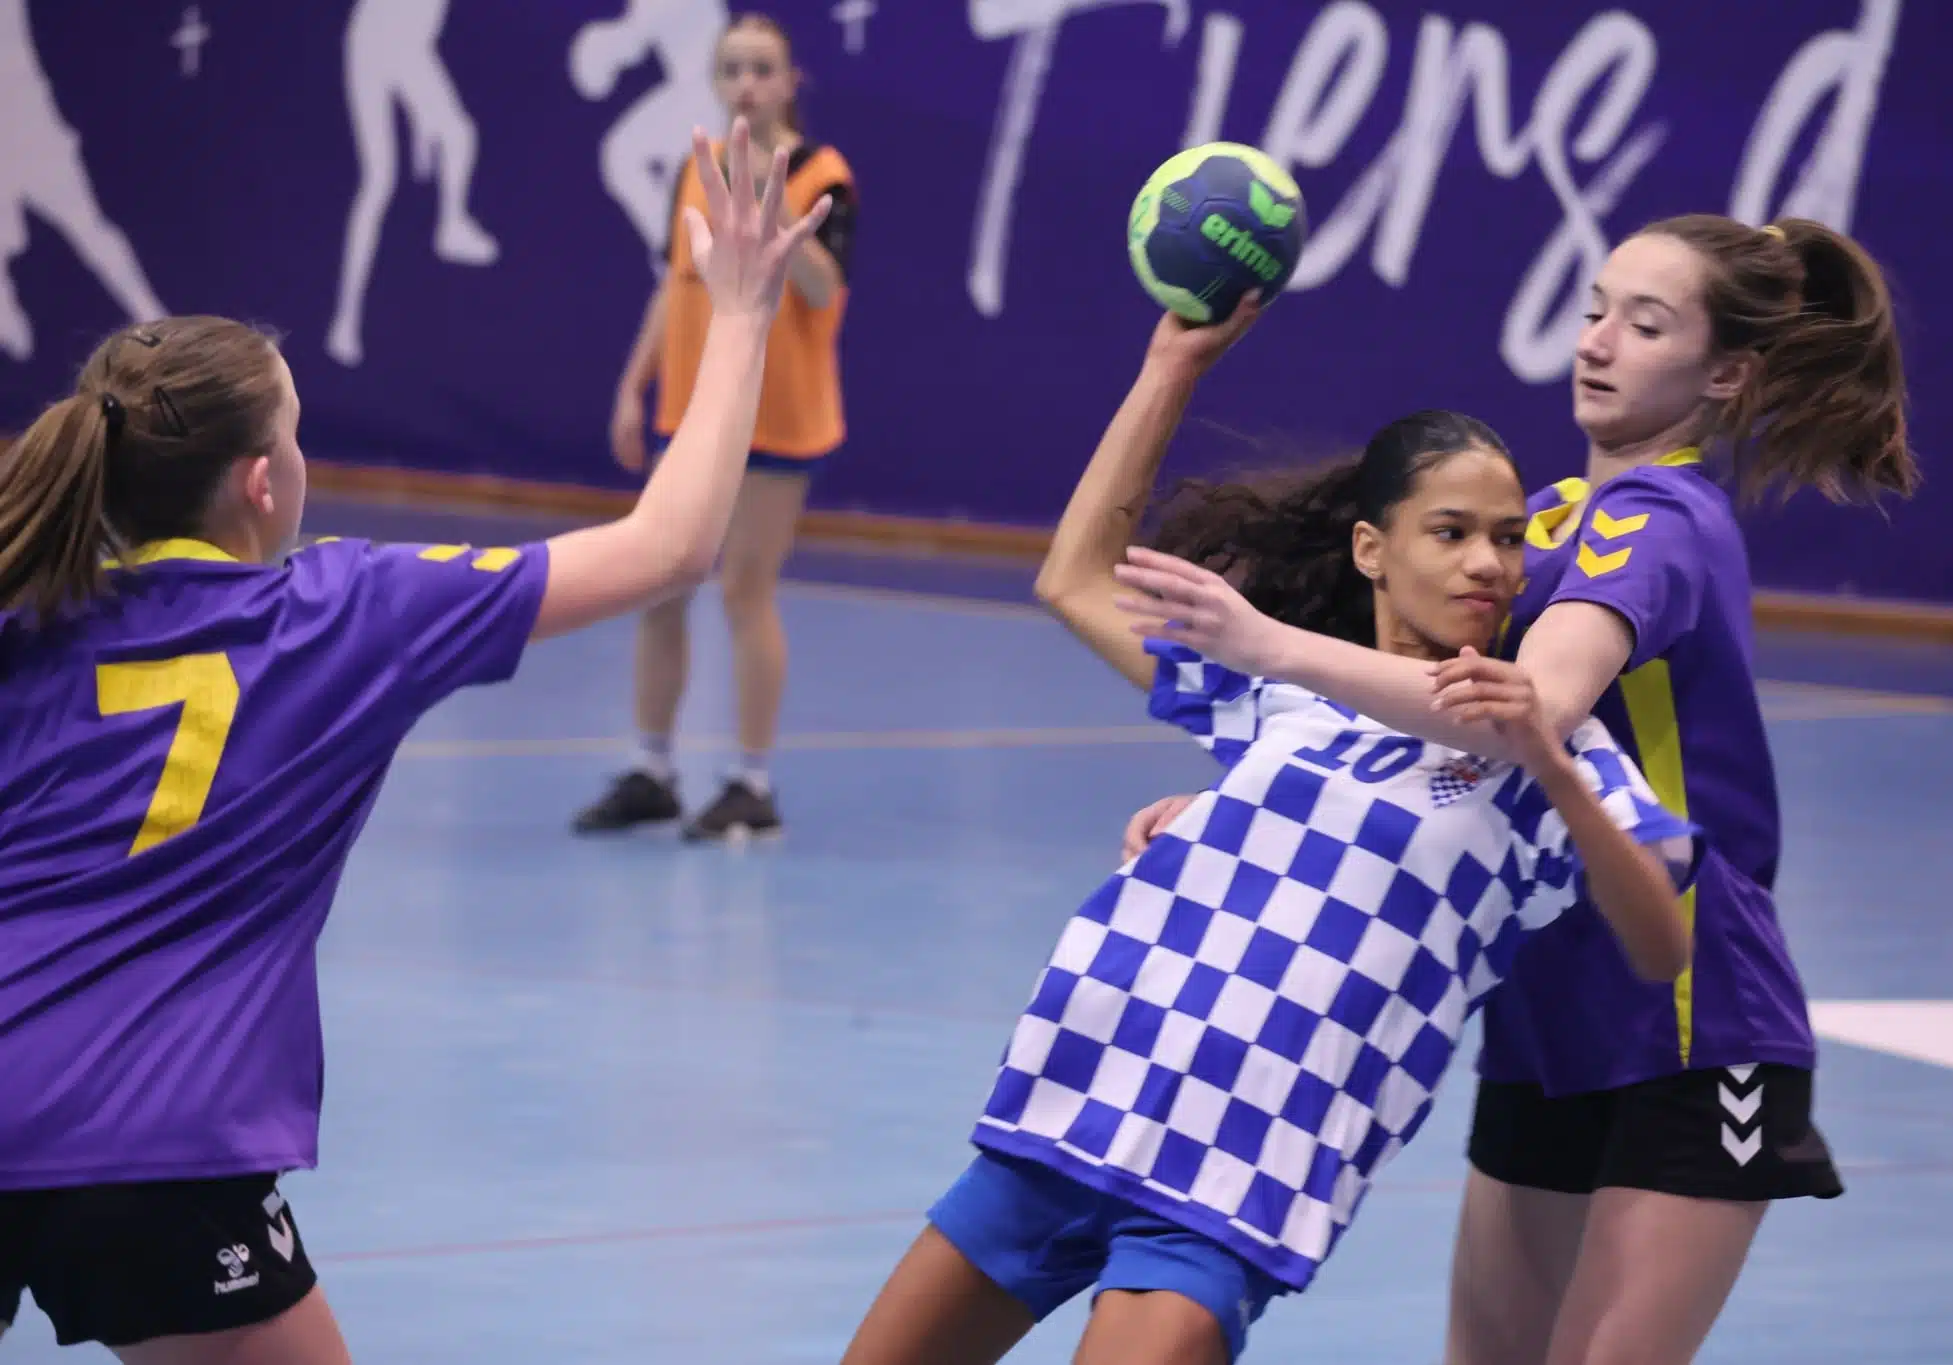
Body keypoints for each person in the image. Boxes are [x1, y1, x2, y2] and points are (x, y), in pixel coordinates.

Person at [0, 121, 826, 1362]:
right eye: (293, 431)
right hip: (150, 1142)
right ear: (262, 483)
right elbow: (669, 548)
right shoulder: (343, 611)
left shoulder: (28, 614)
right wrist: (743, 314)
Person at [1110, 213, 1915, 1365]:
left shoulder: (1654, 523)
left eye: (1645, 325)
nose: (1596, 341)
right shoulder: (1540, 522)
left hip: (1692, 1032)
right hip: (1543, 1021)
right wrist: (1242, 806)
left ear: (1725, 375)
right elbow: (1399, 728)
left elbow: (1520, 708)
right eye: (1593, 310)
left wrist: (1269, 646)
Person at [835, 301, 1701, 1365]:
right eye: (1451, 532)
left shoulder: (1549, 751)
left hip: (1236, 1180)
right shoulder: (1284, 692)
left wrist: (1551, 763)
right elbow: (1074, 578)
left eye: (1508, 538)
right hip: (1073, 1110)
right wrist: (1169, 366)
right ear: (1371, 549)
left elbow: (1660, 942)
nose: (1488, 562)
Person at [574, 11, 857, 843]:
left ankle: (752, 783)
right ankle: (653, 770)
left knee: (743, 590)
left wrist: (772, 214)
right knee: (658, 582)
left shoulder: (822, 176)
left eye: (763, 69)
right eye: (732, 69)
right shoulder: (696, 173)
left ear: (791, 81)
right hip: (691, 413)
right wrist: (632, 386)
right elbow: (676, 285)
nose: (747, 84)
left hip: (778, 419)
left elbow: (824, 288)